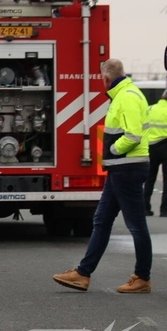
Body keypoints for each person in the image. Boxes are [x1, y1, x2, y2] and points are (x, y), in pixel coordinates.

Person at [53, 59, 152, 293]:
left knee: (136, 225)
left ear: (105, 78)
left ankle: (142, 278)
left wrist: (113, 150)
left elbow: (133, 135)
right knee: (101, 220)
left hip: (127, 168)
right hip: (121, 169)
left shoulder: (126, 96)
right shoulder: (125, 94)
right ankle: (82, 274)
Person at [144, 89, 167, 217]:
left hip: (150, 147)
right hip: (165, 145)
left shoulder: (149, 109)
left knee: (149, 178)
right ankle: (164, 210)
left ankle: (145, 207)